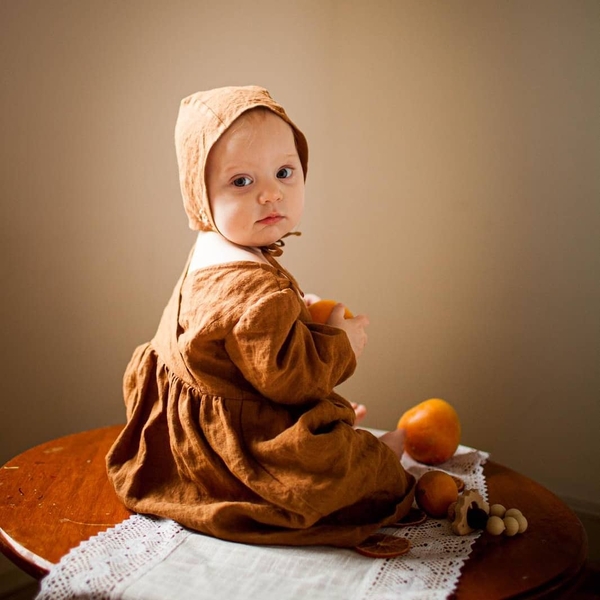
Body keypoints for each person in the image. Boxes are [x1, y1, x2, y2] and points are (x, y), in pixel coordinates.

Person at [106, 85, 415, 547]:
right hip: (233, 446)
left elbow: (234, 338)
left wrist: (299, 308)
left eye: (285, 172)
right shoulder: (253, 288)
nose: (271, 194)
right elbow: (293, 379)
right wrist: (339, 339)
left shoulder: (218, 248)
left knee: (324, 426)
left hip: (187, 427)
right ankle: (379, 459)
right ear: (200, 192)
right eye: (242, 182)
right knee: (349, 472)